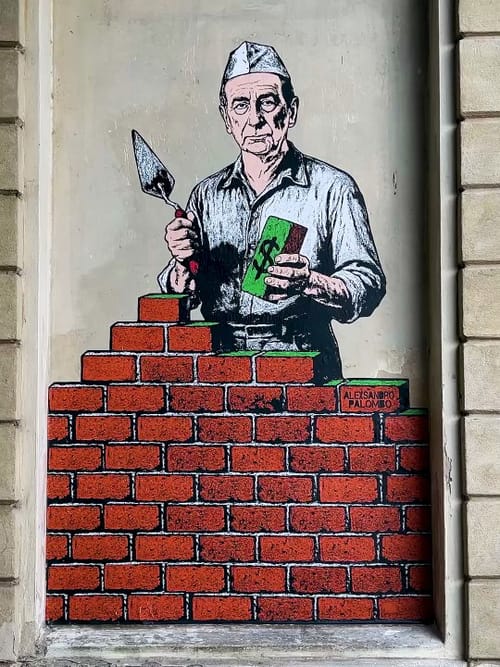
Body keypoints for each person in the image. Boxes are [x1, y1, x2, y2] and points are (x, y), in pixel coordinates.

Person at [158, 41, 385, 379]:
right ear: (226, 117)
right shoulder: (206, 195)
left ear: (291, 111)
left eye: (267, 102)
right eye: (240, 105)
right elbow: (183, 297)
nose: (255, 119)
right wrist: (182, 262)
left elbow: (367, 284)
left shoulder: (332, 188)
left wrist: (309, 282)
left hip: (303, 358)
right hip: (219, 362)